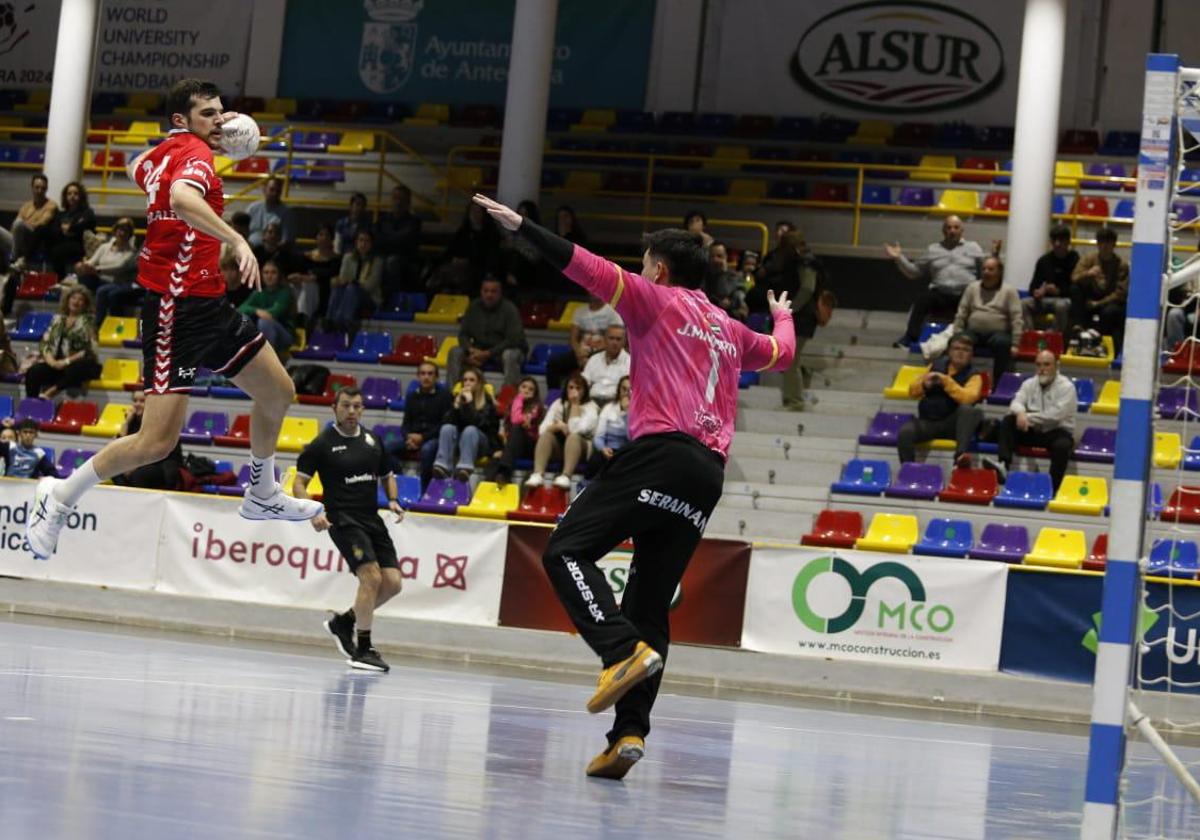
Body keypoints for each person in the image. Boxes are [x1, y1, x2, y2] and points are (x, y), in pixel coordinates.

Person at [473, 192, 794, 781]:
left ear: (660, 270)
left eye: (644, 263)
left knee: (566, 550)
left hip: (660, 454)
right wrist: (781, 313)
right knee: (649, 604)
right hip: (706, 476)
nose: (638, 271)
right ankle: (628, 735)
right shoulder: (729, 327)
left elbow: (585, 266)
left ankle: (619, 651)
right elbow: (781, 355)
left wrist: (525, 228)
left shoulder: (656, 301)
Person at [25, 77, 323, 562]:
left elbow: (135, 164)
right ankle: (58, 495)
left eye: (222, 113)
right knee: (156, 441)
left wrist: (183, 146)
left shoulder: (167, 153)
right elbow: (184, 199)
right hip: (174, 311)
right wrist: (237, 240)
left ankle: (262, 492)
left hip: (210, 305)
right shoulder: (197, 159)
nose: (220, 121)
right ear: (183, 119)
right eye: (209, 114)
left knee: (278, 391)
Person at [294, 387, 406, 673]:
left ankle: (343, 622)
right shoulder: (321, 444)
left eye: (357, 406)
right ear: (334, 408)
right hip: (342, 519)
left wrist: (392, 499)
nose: (352, 411)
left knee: (392, 583)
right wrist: (314, 510)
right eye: (346, 406)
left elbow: (387, 474)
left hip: (371, 518)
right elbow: (299, 485)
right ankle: (363, 649)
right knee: (370, 577)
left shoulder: (372, 440)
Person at [887, 216, 999, 347]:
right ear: (943, 231)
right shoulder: (933, 249)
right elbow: (914, 272)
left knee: (978, 303)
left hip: (965, 294)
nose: (952, 231)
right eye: (948, 227)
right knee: (922, 300)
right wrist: (898, 257)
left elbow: (987, 270)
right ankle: (910, 338)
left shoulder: (973, 247)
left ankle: (977, 342)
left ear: (962, 230)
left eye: (956, 227)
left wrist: (995, 255)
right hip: (940, 293)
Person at [759, 229, 832, 411]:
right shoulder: (802, 261)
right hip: (798, 317)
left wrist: (789, 310)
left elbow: (807, 289)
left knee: (790, 361)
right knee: (789, 360)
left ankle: (796, 401)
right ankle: (793, 396)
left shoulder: (806, 263)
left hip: (802, 318)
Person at [983, 350, 1076, 492]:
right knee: (1008, 421)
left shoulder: (1067, 387)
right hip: (1033, 431)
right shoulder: (1029, 383)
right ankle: (1003, 465)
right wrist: (1020, 412)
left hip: (1057, 432)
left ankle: (1052, 487)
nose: (1042, 369)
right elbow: (1015, 403)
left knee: (1062, 446)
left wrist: (1026, 417)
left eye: (1046, 364)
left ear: (1056, 366)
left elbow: (1055, 415)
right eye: (1038, 365)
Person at [896, 332, 985, 469]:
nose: (961, 353)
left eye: (966, 350)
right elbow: (912, 392)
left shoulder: (975, 375)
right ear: (949, 351)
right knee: (905, 432)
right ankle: (909, 472)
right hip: (929, 422)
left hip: (953, 426)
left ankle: (960, 457)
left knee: (969, 410)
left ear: (971, 355)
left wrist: (946, 382)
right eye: (957, 349)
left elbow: (968, 398)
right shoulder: (935, 366)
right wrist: (924, 385)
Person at [951, 255, 1022, 382]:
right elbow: (961, 313)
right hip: (973, 332)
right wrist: (956, 335)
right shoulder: (972, 288)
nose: (986, 272)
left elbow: (1017, 319)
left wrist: (1016, 344)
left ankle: (999, 383)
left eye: (990, 269)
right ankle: (958, 380)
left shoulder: (1009, 291)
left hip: (998, 334)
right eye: (984, 269)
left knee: (1002, 343)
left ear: (999, 272)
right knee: (960, 342)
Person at [447, 275, 527, 387]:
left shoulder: (510, 309)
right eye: (486, 291)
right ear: (481, 292)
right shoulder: (473, 307)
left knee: (509, 355)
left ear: (500, 293)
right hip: (479, 350)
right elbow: (463, 334)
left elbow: (513, 339)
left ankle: (509, 398)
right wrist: (471, 350)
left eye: (494, 291)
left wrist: (488, 354)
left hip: (504, 351)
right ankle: (453, 394)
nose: (489, 295)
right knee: (455, 351)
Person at [24, 286, 101, 399]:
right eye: (73, 298)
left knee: (77, 367)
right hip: (58, 363)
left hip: (81, 364)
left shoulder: (89, 321)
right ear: (67, 300)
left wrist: (65, 362)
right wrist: (52, 362)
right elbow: (45, 344)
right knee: (34, 371)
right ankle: (32, 403)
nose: (76, 301)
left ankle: (51, 393)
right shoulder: (57, 319)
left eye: (80, 299)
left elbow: (89, 350)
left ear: (85, 304)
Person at [526, 372, 599, 490]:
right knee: (546, 435)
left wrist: (575, 405)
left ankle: (566, 475)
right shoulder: (558, 403)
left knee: (573, 437)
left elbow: (576, 430)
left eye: (578, 388)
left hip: (582, 449)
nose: (574, 391)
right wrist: (557, 427)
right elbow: (541, 430)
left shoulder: (591, 407)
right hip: (560, 447)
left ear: (584, 390)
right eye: (571, 387)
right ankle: (538, 474)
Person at [391, 361, 452, 488]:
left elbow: (444, 425)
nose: (426, 377)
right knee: (385, 448)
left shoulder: (445, 396)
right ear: (418, 376)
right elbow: (405, 423)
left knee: (427, 450)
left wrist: (422, 438)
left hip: (434, 438)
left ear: (436, 377)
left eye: (430, 374)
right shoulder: (412, 396)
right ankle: (400, 481)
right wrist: (408, 437)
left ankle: (425, 490)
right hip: (413, 437)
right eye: (423, 373)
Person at [433, 365, 498, 483]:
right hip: (461, 442)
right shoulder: (457, 399)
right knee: (447, 428)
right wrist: (456, 406)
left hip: (480, 443)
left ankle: (465, 468)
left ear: (479, 384)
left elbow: (481, 425)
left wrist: (469, 404)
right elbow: (446, 424)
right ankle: (442, 466)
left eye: (472, 380)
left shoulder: (488, 403)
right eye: (465, 380)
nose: (467, 383)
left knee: (470, 430)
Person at [545, 294, 623, 389]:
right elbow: (573, 338)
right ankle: (553, 396)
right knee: (554, 363)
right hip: (581, 352)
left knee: (592, 365)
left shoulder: (613, 312)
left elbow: (616, 337)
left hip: (602, 352)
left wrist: (593, 357)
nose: (594, 293)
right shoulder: (580, 311)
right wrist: (579, 353)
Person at [110, 389, 183, 490]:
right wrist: (126, 422)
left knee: (139, 475)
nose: (137, 404)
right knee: (113, 469)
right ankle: (126, 498)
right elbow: (118, 449)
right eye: (135, 401)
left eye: (142, 401)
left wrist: (134, 466)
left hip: (162, 463)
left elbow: (153, 451)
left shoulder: (161, 420)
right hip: (138, 462)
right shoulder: (132, 420)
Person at [1070, 227, 1129, 350]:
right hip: (1090, 297)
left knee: (1112, 311)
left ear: (1114, 244)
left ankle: (1095, 335)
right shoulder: (1089, 259)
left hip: (1109, 302)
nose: (1105, 246)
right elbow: (1074, 278)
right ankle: (1078, 326)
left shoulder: (1121, 264)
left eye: (1108, 242)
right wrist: (1088, 274)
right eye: (1102, 242)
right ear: (1097, 243)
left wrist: (1098, 303)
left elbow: (1120, 293)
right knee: (1075, 289)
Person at [431, 201, 501, 295]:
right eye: (472, 211)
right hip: (458, 266)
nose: (474, 215)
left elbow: (489, 256)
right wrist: (454, 259)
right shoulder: (463, 230)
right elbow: (451, 250)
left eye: (478, 211)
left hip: (478, 269)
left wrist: (468, 260)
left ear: (484, 214)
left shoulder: (491, 233)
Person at [486, 376, 545, 486]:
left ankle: (504, 472)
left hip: (531, 447)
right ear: (518, 389)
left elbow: (516, 420)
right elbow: (507, 430)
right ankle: (490, 486)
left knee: (517, 429)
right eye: (523, 387)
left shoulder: (536, 407)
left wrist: (519, 399)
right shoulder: (512, 406)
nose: (526, 390)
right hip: (514, 447)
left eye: (530, 389)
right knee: (496, 456)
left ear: (535, 393)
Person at [80, 217, 141, 323]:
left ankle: (99, 324)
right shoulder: (104, 247)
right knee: (84, 279)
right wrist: (84, 265)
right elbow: (92, 261)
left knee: (103, 291)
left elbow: (119, 267)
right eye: (120, 230)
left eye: (125, 231)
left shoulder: (131, 252)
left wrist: (97, 270)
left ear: (129, 235)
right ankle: (83, 317)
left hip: (118, 282)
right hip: (101, 279)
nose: (121, 233)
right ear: (115, 231)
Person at [1022, 224, 1078, 332]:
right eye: (1054, 240)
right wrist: (1036, 292)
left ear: (1068, 242)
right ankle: (1029, 334)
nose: (1057, 244)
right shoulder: (1044, 261)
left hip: (1065, 299)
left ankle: (1054, 337)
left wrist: (1058, 291)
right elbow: (1033, 286)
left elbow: (1076, 289)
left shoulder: (1074, 259)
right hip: (1045, 299)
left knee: (1061, 306)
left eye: (1061, 240)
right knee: (1024, 303)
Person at [328, 229, 384, 333]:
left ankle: (345, 323)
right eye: (361, 240)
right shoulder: (348, 258)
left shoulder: (377, 261)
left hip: (369, 297)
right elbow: (342, 278)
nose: (363, 244)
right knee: (337, 289)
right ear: (356, 242)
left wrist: (353, 283)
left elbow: (370, 286)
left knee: (352, 289)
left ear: (372, 244)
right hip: (348, 293)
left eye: (367, 241)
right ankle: (330, 321)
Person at [2, 173, 58, 270]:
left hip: (33, 241)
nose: (39, 191)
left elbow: (40, 225)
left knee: (20, 224)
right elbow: (13, 227)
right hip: (17, 240)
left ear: (46, 189)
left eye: (43, 188)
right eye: (37, 187)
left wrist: (24, 224)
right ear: (32, 188)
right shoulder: (26, 206)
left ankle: (14, 258)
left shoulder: (51, 205)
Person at [237, 258, 294, 353]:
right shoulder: (258, 292)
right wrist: (257, 311)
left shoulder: (285, 292)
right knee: (244, 319)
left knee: (264, 322)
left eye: (273, 272)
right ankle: (240, 354)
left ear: (279, 275)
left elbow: (274, 313)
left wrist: (255, 312)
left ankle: (267, 359)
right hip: (261, 333)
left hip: (284, 335)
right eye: (266, 273)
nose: (269, 276)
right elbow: (240, 309)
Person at [376, 183, 423, 296]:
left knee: (392, 262)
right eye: (395, 198)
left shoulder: (414, 222)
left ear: (408, 202)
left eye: (401, 199)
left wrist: (388, 239)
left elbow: (405, 244)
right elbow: (377, 239)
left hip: (405, 260)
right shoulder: (382, 220)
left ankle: (392, 299)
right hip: (383, 256)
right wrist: (395, 238)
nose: (397, 202)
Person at [289, 223, 339, 323]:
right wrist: (296, 278)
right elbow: (297, 274)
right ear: (316, 237)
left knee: (309, 285)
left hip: (323, 294)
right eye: (321, 234)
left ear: (331, 238)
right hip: (302, 291)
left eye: (327, 235)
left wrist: (314, 278)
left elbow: (331, 277)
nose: (324, 238)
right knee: (291, 286)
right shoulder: (306, 256)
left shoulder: (337, 259)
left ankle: (303, 319)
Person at [48, 181, 96, 279]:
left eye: (75, 193)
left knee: (59, 250)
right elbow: (55, 229)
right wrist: (67, 230)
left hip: (79, 245)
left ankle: (61, 278)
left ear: (81, 196)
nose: (72, 196)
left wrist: (70, 228)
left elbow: (85, 225)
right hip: (62, 243)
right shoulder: (61, 214)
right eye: (69, 194)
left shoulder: (87, 212)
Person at [586, 375, 631, 476]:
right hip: (607, 449)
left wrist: (627, 413)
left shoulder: (638, 412)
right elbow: (598, 436)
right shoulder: (609, 408)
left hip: (626, 450)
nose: (627, 393)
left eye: (630, 390)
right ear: (618, 390)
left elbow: (631, 438)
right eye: (624, 389)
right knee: (595, 460)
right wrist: (603, 449)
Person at [581, 324, 630, 405]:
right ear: (605, 340)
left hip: (615, 403)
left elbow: (628, 388)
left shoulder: (630, 362)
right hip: (591, 402)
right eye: (611, 338)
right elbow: (584, 381)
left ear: (624, 342)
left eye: (618, 339)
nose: (614, 342)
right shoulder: (594, 359)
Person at [704, 241, 748, 321]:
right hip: (708, 318)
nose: (715, 259)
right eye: (712, 256)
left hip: (728, 318)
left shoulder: (735, 277)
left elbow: (740, 297)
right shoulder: (702, 277)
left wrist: (731, 302)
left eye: (719, 256)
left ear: (726, 257)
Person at [246, 176, 295, 245]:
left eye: (278, 191)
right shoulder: (252, 208)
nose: (275, 193)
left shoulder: (287, 213)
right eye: (272, 190)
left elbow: (286, 241)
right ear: (264, 190)